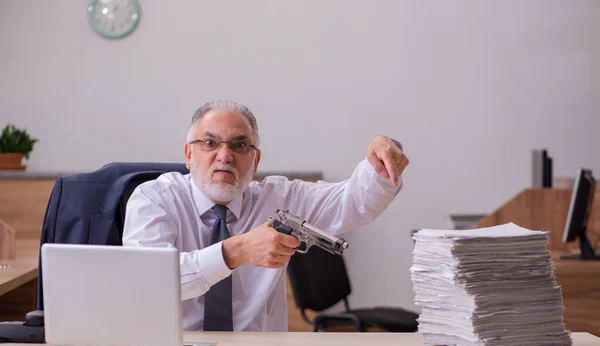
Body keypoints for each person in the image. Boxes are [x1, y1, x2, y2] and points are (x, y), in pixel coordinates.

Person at [122, 100, 409, 332]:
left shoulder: (279, 198)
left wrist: (382, 160)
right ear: (188, 154)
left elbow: (356, 201)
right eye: (210, 143)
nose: (224, 156)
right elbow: (150, 282)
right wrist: (236, 250)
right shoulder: (154, 199)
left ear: (256, 160)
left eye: (239, 145)